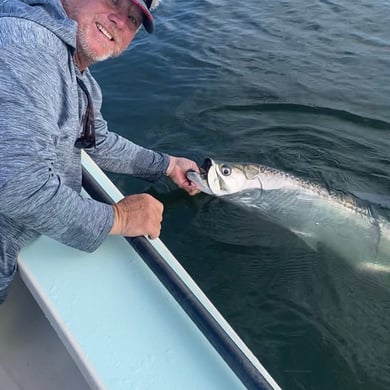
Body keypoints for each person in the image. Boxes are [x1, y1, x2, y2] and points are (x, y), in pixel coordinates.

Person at [0, 0, 200, 303]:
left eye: (133, 19)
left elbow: (97, 141)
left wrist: (167, 165)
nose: (120, 20)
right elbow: (17, 184)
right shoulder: (29, 43)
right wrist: (117, 219)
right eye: (113, 1)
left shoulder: (78, 75)